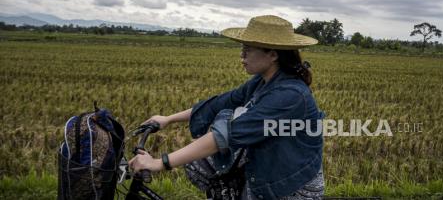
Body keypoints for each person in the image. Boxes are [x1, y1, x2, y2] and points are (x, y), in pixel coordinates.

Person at [129, 15, 325, 199]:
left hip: (289, 183)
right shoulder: (261, 82)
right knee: (197, 162)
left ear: (273, 55)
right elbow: (221, 102)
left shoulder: (290, 95)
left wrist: (160, 163)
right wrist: (168, 119)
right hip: (271, 161)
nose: (242, 55)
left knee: (206, 155)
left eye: (248, 49)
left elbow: (227, 135)